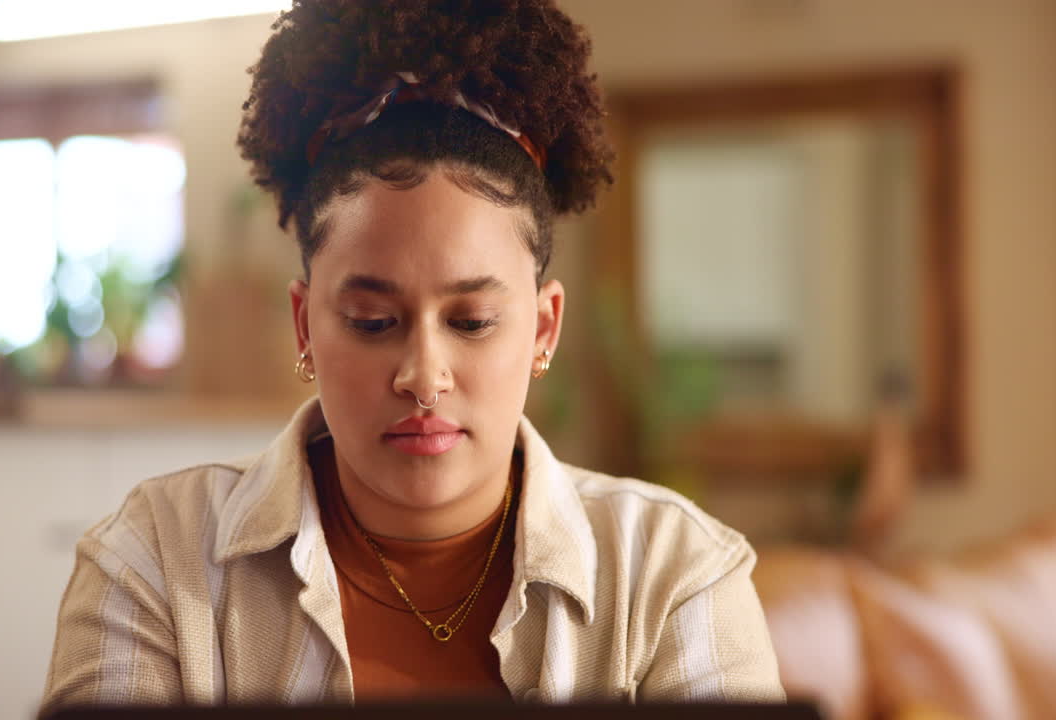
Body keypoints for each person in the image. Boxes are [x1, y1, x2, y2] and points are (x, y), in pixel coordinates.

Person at [40, 0, 784, 711]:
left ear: (544, 330)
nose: (423, 375)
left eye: (473, 320)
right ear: (304, 327)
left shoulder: (672, 576)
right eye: (371, 321)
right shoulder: (157, 562)